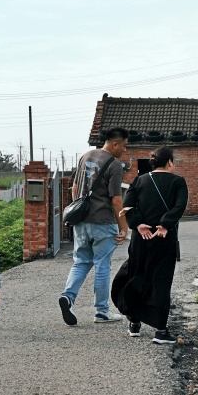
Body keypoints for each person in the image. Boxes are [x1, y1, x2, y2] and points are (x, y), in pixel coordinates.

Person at [58, 127, 129, 326]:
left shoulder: (85, 156)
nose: (124, 150)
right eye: (124, 146)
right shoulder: (115, 165)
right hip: (103, 222)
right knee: (102, 265)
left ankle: (68, 297)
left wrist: (81, 211)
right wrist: (124, 227)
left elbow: (74, 188)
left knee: (80, 262)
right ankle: (101, 311)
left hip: (81, 222)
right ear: (115, 144)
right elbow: (116, 200)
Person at [119, 146, 188, 344]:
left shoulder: (139, 180)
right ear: (169, 162)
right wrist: (165, 225)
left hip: (141, 239)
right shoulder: (178, 182)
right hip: (163, 239)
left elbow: (128, 205)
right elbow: (180, 205)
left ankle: (134, 323)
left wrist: (138, 224)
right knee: (161, 281)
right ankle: (160, 330)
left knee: (137, 275)